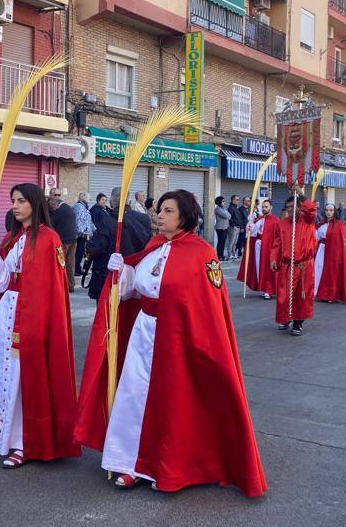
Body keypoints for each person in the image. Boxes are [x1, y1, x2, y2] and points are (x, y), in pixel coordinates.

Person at [75, 190, 266, 496]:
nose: (159, 215)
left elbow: (207, 309)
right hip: (143, 335)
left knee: (172, 404)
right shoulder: (153, 247)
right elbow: (134, 290)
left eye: (167, 211)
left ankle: (168, 466)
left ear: (184, 217)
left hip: (178, 340)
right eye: (160, 210)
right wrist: (120, 271)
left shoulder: (201, 253)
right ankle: (130, 464)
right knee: (133, 396)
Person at [0, 182, 79, 468]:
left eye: (20, 201)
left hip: (31, 315)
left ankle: (25, 441)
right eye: (13, 201)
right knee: (7, 375)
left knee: (24, 376)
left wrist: (37, 323)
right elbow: (0, 281)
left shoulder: (48, 238)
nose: (15, 206)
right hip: (7, 310)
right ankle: (8, 433)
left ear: (34, 203)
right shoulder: (12, 237)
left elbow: (48, 288)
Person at [87, 188, 151, 300]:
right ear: (129, 200)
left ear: (111, 201)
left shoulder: (106, 220)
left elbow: (98, 247)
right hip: (137, 275)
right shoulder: (144, 218)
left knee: (110, 315)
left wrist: (89, 244)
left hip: (113, 278)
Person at [270, 194, 318, 336]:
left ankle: (298, 322)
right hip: (287, 266)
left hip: (303, 266)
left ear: (299, 207)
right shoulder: (282, 223)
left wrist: (301, 195)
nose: (290, 210)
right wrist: (273, 259)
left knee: (300, 296)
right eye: (288, 207)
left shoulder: (307, 220)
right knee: (284, 295)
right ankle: (285, 319)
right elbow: (277, 244)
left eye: (293, 207)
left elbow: (311, 210)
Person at [314, 203, 346, 303]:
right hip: (321, 250)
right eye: (327, 210)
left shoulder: (340, 225)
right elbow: (316, 238)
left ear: (334, 212)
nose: (328, 212)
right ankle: (318, 292)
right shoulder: (321, 224)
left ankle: (330, 294)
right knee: (319, 270)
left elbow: (341, 242)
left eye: (331, 210)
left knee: (331, 273)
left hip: (334, 253)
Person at [48, 189, 79, 292]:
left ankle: (60, 285)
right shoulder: (68, 208)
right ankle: (71, 285)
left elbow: (50, 225)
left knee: (60, 263)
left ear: (55, 205)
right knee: (70, 263)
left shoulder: (59, 211)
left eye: (52, 207)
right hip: (73, 240)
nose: (52, 209)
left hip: (64, 242)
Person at [256, 199, 280, 300]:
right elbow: (254, 232)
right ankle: (264, 287)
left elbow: (278, 237)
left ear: (271, 207)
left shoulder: (275, 220)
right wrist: (250, 226)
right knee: (260, 268)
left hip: (269, 248)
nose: (264, 209)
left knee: (268, 269)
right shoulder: (259, 219)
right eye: (263, 207)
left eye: (266, 207)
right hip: (258, 247)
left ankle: (269, 290)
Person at [73, 192, 96, 276]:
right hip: (80, 235)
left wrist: (94, 230)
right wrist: (82, 232)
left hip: (84, 234)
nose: (89, 199)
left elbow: (88, 221)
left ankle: (78, 268)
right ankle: (75, 269)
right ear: (83, 198)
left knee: (81, 253)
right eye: (88, 197)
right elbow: (78, 220)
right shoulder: (79, 207)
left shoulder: (84, 207)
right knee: (78, 253)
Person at [213, 196, 230, 261]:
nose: (224, 202)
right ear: (219, 202)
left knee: (223, 242)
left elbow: (229, 215)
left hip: (225, 227)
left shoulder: (223, 208)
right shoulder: (218, 209)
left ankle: (222, 255)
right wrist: (228, 215)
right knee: (220, 242)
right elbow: (227, 215)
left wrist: (228, 215)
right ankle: (219, 256)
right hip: (220, 228)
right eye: (223, 201)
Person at [225, 195, 241, 260]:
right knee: (231, 242)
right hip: (233, 227)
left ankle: (233, 253)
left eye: (238, 199)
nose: (237, 201)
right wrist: (233, 225)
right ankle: (229, 254)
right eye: (236, 199)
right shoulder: (230, 208)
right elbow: (230, 218)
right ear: (232, 200)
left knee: (235, 242)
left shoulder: (236, 207)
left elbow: (238, 218)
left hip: (238, 227)